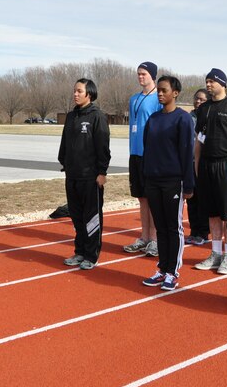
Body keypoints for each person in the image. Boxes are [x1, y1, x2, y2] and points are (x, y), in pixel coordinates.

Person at [140, 76, 195, 292]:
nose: (160, 94)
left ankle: (173, 271)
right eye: (158, 91)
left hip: (173, 181)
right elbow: (147, 150)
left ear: (175, 93)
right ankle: (162, 268)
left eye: (164, 90)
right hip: (153, 180)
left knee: (173, 227)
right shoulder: (153, 119)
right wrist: (146, 176)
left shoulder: (182, 119)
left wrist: (188, 185)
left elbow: (186, 153)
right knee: (160, 227)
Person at [58, 79, 111, 271]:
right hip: (72, 175)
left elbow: (103, 147)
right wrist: (64, 161)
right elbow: (64, 142)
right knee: (77, 217)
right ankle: (79, 251)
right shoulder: (72, 116)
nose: (75, 94)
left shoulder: (97, 117)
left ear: (89, 93)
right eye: (74, 91)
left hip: (91, 177)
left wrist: (102, 172)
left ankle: (91, 255)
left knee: (91, 218)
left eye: (79, 91)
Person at [193, 68, 227, 274]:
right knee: (211, 212)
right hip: (206, 165)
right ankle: (215, 253)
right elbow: (198, 140)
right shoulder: (204, 109)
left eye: (212, 81)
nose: (209, 85)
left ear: (222, 83)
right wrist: (196, 164)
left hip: (226, 164)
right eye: (207, 81)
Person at [124, 62, 163, 257]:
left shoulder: (158, 98)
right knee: (141, 198)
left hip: (151, 154)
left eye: (144, 74)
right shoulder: (133, 99)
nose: (140, 77)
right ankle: (144, 237)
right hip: (135, 154)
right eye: (138, 74)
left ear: (153, 76)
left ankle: (155, 239)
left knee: (153, 198)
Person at [185, 89, 211, 245]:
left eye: (202, 99)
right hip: (188, 163)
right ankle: (194, 231)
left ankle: (203, 232)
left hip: (202, 163)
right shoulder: (188, 117)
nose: (198, 102)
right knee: (191, 199)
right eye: (196, 99)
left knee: (202, 200)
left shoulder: (208, 115)